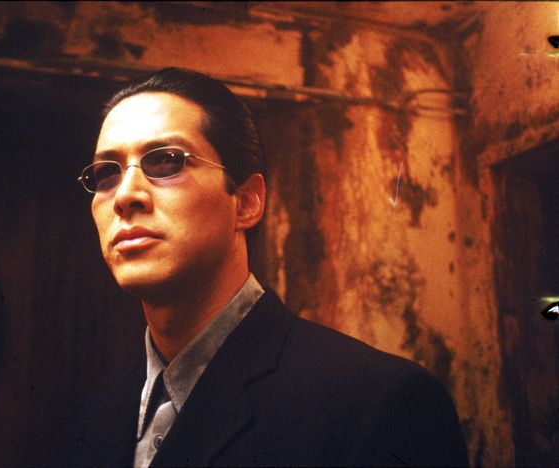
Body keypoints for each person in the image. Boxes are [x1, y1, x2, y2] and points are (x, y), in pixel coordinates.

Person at [70, 67, 468, 467]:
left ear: (246, 202)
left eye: (166, 161)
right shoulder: (98, 413)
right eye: (107, 173)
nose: (125, 196)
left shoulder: (378, 403)